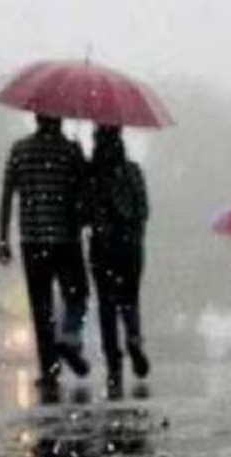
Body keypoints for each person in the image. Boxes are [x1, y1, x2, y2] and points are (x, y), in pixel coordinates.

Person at [0, 113, 89, 391]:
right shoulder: (70, 151)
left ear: (37, 118)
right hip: (66, 239)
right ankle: (69, 338)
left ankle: (49, 369)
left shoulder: (20, 150)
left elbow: (7, 195)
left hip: (33, 240)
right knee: (77, 293)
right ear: (59, 120)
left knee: (41, 307)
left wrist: (3, 238)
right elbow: (84, 193)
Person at [86, 125, 150, 398]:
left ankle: (113, 360)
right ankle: (134, 339)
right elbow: (143, 209)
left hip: (102, 247)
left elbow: (83, 213)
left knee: (107, 305)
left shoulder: (93, 175)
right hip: (130, 246)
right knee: (130, 299)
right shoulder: (132, 171)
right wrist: (134, 233)